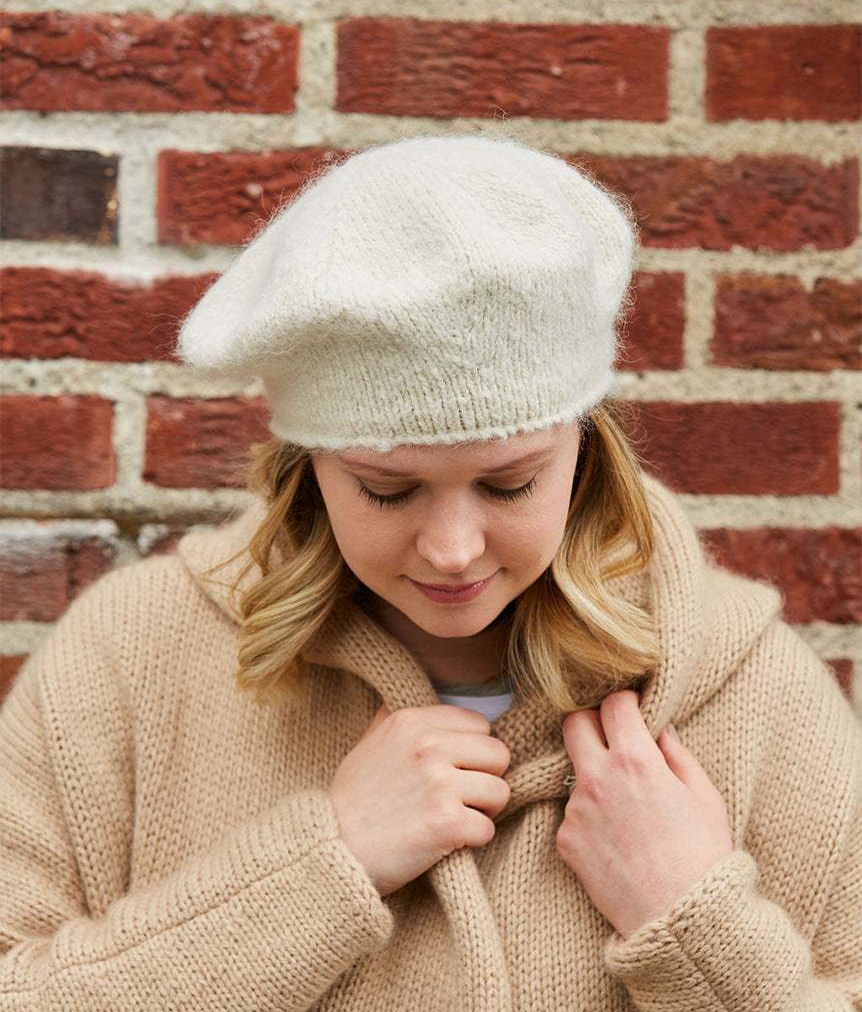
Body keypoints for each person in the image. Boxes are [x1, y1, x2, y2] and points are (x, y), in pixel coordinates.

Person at [0, 136, 859, 1012]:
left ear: (586, 450)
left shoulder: (752, 694)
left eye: (510, 482)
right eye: (387, 489)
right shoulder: (130, 658)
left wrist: (695, 927)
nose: (452, 549)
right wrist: (320, 868)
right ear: (311, 467)